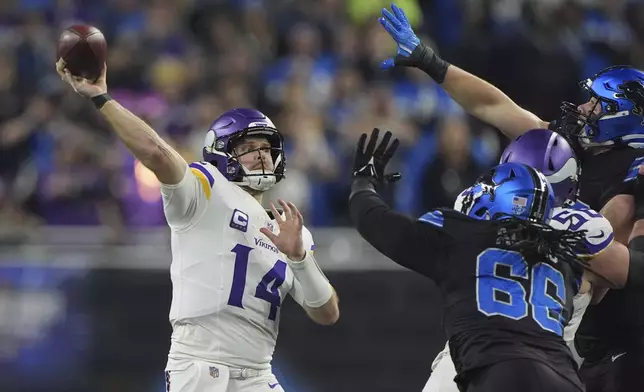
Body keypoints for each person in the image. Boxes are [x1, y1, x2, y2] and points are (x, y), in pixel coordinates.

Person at [378, 4, 644, 390]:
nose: (584, 108)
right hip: (553, 329)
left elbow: (613, 268)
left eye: (597, 103)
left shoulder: (631, 177)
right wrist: (431, 62)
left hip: (599, 334)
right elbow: (496, 107)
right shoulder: (570, 146)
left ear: (625, 116)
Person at [55, 61, 339, 392]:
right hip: (203, 368)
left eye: (266, 147)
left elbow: (326, 313)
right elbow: (157, 153)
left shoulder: (290, 229)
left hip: (259, 374)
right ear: (220, 154)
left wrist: (300, 257)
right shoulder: (207, 188)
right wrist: (102, 97)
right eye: (248, 148)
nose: (261, 155)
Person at [349, 127, 593, 391]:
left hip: (501, 371)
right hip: (566, 378)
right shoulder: (566, 258)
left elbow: (375, 221)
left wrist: (363, 182)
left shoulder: (460, 233)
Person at [423, 128, 644, 391]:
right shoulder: (581, 231)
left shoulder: (476, 209)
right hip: (544, 368)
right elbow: (628, 274)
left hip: (468, 360)